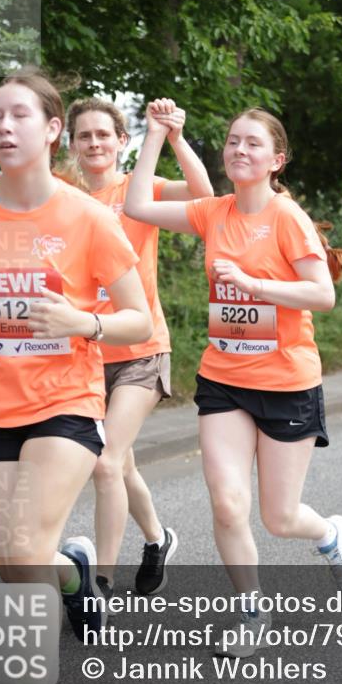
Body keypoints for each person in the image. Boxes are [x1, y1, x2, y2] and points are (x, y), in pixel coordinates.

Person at [0, 69, 153, 684]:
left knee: (23, 544)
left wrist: (86, 323)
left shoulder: (85, 216)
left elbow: (138, 318)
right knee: (11, 556)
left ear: (52, 130)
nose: (4, 127)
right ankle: (74, 573)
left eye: (19, 115)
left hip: (66, 401)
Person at [125, 100, 342, 656]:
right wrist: (160, 135)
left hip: (287, 382)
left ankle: (331, 536)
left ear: (276, 160)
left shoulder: (287, 217)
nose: (239, 149)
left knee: (279, 518)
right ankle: (253, 613)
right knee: (228, 505)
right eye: (233, 141)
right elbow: (137, 205)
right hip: (224, 379)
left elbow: (322, 295)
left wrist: (256, 285)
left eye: (252, 143)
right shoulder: (214, 211)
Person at [62, 96, 213, 597]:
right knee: (121, 463)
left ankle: (98, 586)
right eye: (84, 136)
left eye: (103, 134)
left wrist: (172, 136)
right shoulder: (62, 194)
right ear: (73, 144)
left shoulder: (138, 188)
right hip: (84, 354)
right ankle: (157, 537)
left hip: (142, 352)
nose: (94, 143)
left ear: (121, 141)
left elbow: (204, 194)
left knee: (104, 464)